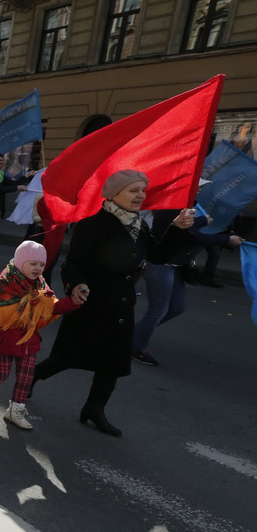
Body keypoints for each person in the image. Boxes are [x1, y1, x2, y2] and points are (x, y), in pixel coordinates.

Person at [33, 170, 195, 436]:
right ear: (113, 194)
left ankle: (94, 409)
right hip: (93, 301)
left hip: (121, 303)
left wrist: (177, 228)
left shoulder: (138, 225)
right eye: (134, 190)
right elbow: (73, 263)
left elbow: (158, 255)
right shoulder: (93, 223)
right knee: (66, 357)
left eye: (142, 190)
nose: (140, 195)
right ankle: (31, 378)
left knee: (113, 362)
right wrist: (78, 284)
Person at [0, 240, 86, 430]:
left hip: (28, 340)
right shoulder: (6, 283)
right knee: (0, 375)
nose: (38, 268)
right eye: (33, 264)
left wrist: (73, 301)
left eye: (42, 265)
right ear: (21, 263)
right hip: (5, 339)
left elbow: (51, 307)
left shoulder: (40, 284)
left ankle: (15, 410)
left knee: (26, 378)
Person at [130, 208, 241, 366]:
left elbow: (191, 227)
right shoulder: (168, 209)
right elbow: (191, 235)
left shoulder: (186, 206)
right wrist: (226, 239)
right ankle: (136, 345)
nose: (199, 189)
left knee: (177, 307)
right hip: (161, 264)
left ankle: (132, 335)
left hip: (176, 266)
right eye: (199, 186)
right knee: (159, 309)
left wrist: (204, 220)